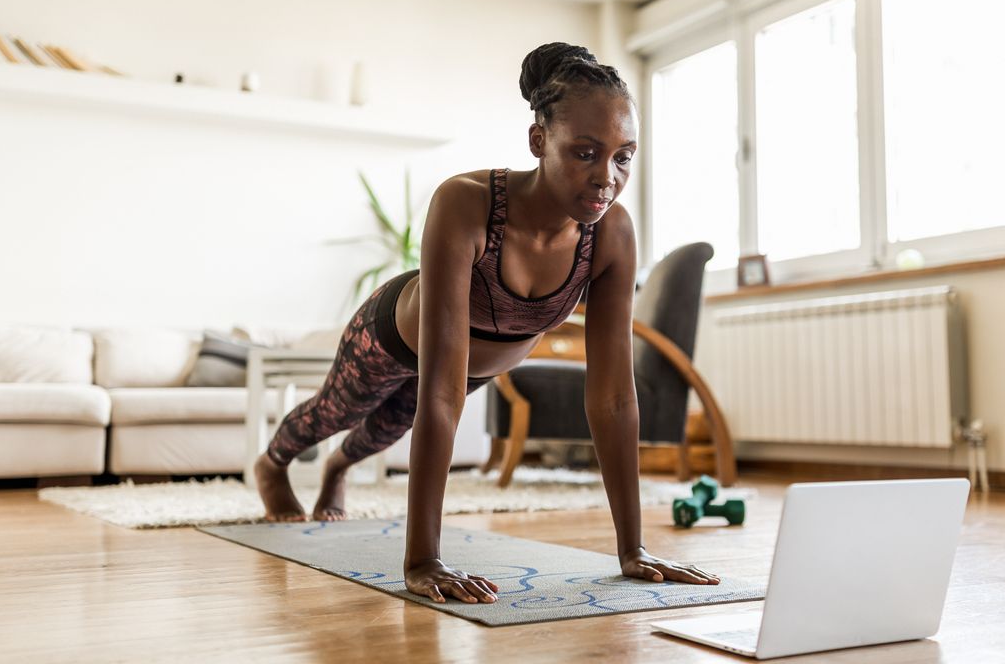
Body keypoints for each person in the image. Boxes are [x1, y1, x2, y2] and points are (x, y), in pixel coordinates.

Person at [253, 42, 722, 604]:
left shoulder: (611, 233)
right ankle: (272, 464)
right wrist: (423, 560)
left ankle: (337, 471)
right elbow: (442, 393)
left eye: (624, 156)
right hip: (393, 339)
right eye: (585, 153)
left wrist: (632, 550)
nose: (606, 177)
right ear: (538, 140)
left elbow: (615, 398)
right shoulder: (467, 202)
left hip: (474, 366)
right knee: (336, 410)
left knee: (383, 432)